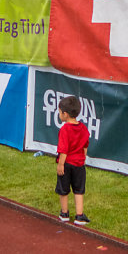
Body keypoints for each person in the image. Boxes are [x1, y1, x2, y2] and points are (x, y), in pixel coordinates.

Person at [55, 95, 90, 226]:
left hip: (67, 164)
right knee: (79, 189)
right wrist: (83, 158)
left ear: (65, 114)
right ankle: (79, 215)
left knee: (63, 189)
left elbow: (63, 150)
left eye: (59, 112)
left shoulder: (65, 129)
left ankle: (64, 213)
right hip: (79, 164)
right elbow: (86, 145)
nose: (59, 114)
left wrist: (60, 164)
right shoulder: (83, 128)